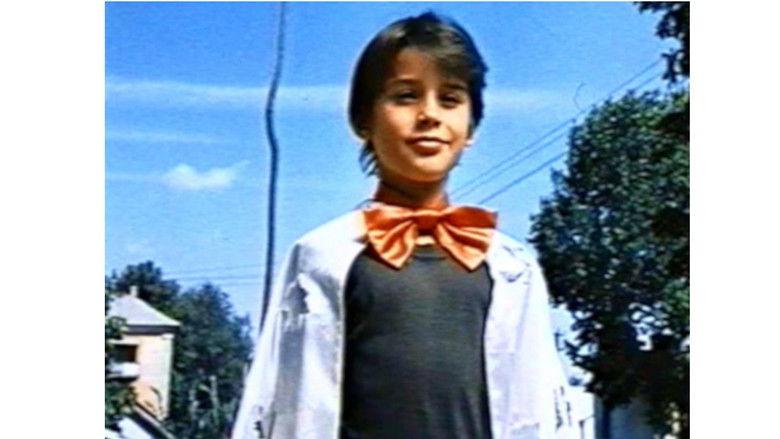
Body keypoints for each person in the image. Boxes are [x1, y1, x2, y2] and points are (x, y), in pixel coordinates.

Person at [232, 12, 576, 439]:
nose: (429, 114)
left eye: (450, 99)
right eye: (406, 96)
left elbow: (541, 399)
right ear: (363, 121)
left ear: (471, 127)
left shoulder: (511, 267)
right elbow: (275, 394)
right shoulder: (321, 257)